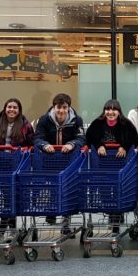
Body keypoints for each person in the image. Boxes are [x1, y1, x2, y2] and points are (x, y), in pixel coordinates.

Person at [87, 99, 138, 235]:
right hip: (102, 164)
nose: (110, 112)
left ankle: (116, 215)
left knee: (119, 188)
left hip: (121, 164)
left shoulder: (126, 124)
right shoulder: (97, 123)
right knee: (103, 189)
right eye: (107, 109)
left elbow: (135, 139)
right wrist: (99, 145)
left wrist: (124, 146)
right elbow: (89, 138)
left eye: (113, 109)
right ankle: (112, 212)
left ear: (118, 111)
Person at [34, 93, 86, 228]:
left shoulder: (77, 120)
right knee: (51, 186)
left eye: (64, 107)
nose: (61, 110)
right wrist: (44, 145)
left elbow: (81, 138)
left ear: (69, 108)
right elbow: (37, 138)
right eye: (58, 107)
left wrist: (72, 144)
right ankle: (51, 211)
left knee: (67, 187)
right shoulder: (44, 120)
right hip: (49, 159)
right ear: (53, 107)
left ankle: (66, 219)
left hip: (68, 159)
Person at [0, 98, 33, 241]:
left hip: (18, 164)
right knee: (6, 197)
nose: (12, 110)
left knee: (13, 196)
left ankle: (4, 231)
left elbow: (31, 142)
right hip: (2, 164)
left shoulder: (25, 124)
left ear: (19, 110)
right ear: (5, 108)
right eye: (9, 107)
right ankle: (10, 229)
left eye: (15, 107)